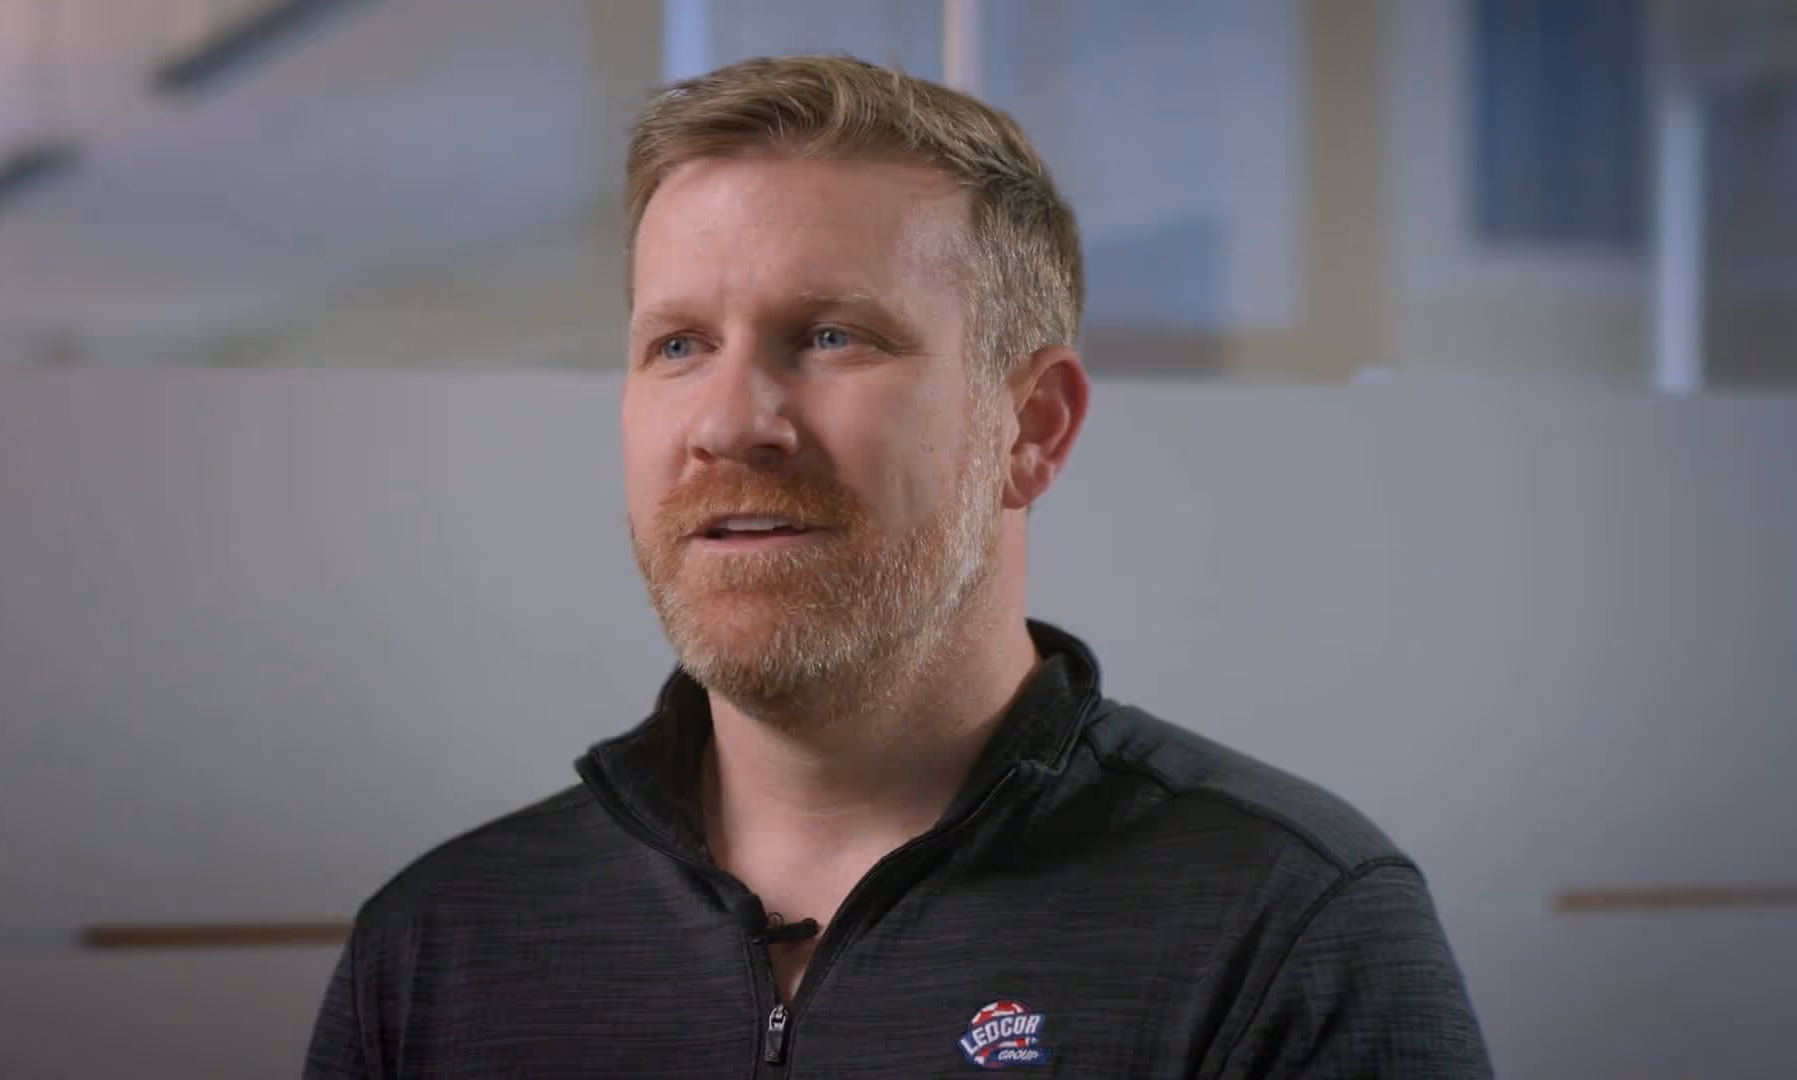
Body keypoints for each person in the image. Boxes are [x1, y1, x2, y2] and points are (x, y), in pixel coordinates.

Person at [305, 55, 1492, 1077]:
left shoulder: (1284, 925)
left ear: (1031, 428)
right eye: (678, 344)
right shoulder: (445, 945)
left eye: (830, 336)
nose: (730, 422)